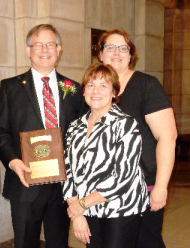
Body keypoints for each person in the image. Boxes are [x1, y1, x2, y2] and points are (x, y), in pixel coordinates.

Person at [0, 24, 85, 248]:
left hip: (64, 186)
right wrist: (13, 161)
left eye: (50, 44)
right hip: (26, 182)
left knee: (59, 243)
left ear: (59, 49)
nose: (45, 49)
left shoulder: (73, 89)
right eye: (38, 44)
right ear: (28, 50)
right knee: (25, 243)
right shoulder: (10, 88)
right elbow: (0, 132)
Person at [97, 29, 177, 248]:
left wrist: (160, 186)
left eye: (123, 48)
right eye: (110, 47)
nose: (116, 52)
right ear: (100, 54)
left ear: (131, 55)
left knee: (145, 243)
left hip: (141, 188)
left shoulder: (146, 86)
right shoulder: (95, 89)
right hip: (101, 191)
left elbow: (168, 137)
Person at [63, 63, 149, 248]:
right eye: (90, 85)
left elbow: (123, 177)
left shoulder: (126, 124)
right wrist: (77, 213)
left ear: (114, 92)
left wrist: (82, 205)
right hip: (87, 210)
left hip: (120, 209)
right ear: (84, 91)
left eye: (104, 86)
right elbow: (67, 170)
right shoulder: (74, 127)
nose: (96, 91)